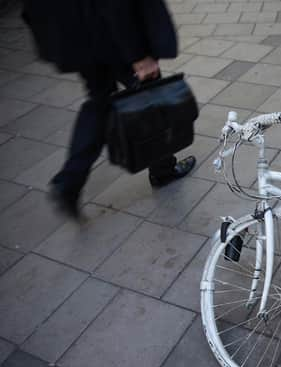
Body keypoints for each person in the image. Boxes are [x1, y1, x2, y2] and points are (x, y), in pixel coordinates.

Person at [22, 0, 196, 218]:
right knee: (150, 95)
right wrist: (139, 55)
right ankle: (163, 171)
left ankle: (69, 181)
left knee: (99, 103)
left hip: (78, 33)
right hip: (111, 33)